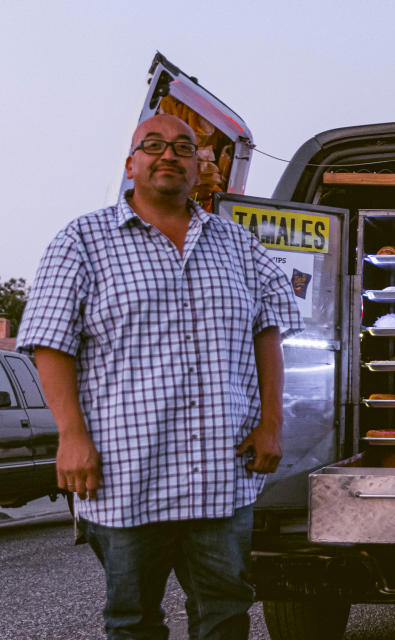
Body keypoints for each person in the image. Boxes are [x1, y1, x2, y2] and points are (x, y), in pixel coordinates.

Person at [17, 114, 303, 639]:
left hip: (221, 473)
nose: (168, 154)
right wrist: (71, 437)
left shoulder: (239, 246)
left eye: (183, 147)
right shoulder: (81, 241)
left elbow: (270, 332)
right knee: (133, 621)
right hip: (125, 473)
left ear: (200, 167)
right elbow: (50, 345)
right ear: (131, 164)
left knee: (225, 613)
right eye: (153, 145)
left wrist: (271, 422)